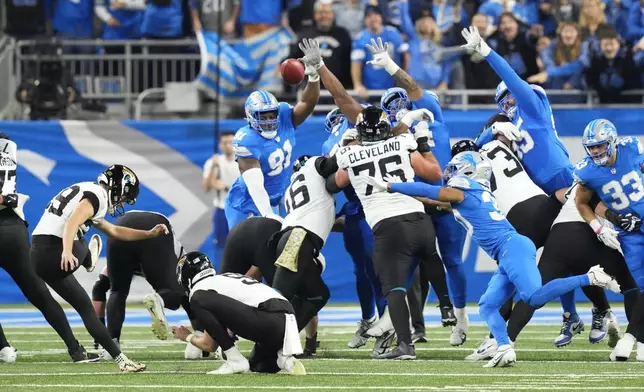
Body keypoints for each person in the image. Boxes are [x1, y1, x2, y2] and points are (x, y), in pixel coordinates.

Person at [370, 150, 620, 367]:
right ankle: (504, 347)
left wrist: (393, 186)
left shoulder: (463, 193)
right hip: (508, 250)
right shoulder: (472, 194)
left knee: (532, 296)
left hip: (513, 247)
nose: (449, 174)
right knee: (488, 305)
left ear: (467, 171)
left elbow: (430, 190)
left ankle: (591, 277)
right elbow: (431, 197)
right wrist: (400, 194)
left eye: (454, 169)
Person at [367, 37, 468, 345]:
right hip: (416, 204)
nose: (399, 106)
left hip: (446, 199)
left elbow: (412, 87)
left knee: (452, 260)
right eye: (391, 105)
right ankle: (394, 320)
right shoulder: (392, 137)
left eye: (402, 101)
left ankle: (460, 320)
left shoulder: (430, 116)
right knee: (408, 260)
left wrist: (391, 66)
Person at [327, 106, 443, 360]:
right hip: (413, 213)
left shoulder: (347, 147)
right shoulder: (400, 141)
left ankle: (395, 336)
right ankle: (445, 309)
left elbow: (332, 181)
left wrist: (341, 147)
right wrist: (413, 126)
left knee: (387, 282)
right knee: (420, 262)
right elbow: (433, 173)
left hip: (377, 219)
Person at [30, 164, 165, 372]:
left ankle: (119, 360)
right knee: (82, 240)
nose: (121, 202)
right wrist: (67, 251)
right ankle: (87, 256)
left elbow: (114, 230)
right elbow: (72, 222)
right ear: (118, 186)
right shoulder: (99, 195)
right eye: (123, 196)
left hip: (39, 254)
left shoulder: (89, 190)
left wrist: (148, 234)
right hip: (55, 250)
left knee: (85, 307)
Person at [0, 133, 98, 364]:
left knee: (40, 293)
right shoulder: (7, 149)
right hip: (11, 230)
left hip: (8, 225)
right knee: (40, 294)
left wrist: (8, 200)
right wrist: (10, 200)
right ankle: (75, 350)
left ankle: (3, 348)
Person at [574, 118, 644, 361]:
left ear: (612, 142)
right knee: (641, 286)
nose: (595, 151)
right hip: (628, 232)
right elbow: (582, 203)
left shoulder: (632, 148)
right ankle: (640, 342)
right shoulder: (586, 170)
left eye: (600, 145)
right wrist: (600, 226)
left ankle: (630, 339)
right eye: (591, 147)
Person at [173, 251, 306, 375]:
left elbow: (210, 345)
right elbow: (211, 342)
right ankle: (284, 360)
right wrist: (189, 336)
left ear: (186, 278)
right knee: (258, 365)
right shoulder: (221, 281)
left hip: (269, 316)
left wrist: (187, 337)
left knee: (197, 299)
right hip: (288, 320)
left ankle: (235, 360)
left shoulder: (201, 291)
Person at [97, 210, 206, 360]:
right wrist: (200, 336)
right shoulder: (179, 259)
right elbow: (188, 294)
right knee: (176, 294)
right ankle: (160, 300)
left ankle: (111, 346)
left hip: (121, 228)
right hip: (156, 227)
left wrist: (100, 334)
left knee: (117, 291)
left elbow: (99, 289)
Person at [321, 107, 387, 350]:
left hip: (378, 206)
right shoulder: (337, 143)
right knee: (363, 270)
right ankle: (370, 319)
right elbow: (332, 181)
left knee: (377, 271)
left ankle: (388, 327)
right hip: (356, 210)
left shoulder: (387, 140)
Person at [224, 83, 320, 229]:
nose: (269, 120)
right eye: (263, 116)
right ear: (250, 115)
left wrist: (314, 78)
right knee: (245, 249)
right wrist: (267, 214)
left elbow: (308, 102)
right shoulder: (246, 139)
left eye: (272, 114)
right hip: (246, 204)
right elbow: (254, 185)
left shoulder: (285, 119)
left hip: (272, 201)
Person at [350, 5, 409, 98]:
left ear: (381, 17)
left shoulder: (393, 33)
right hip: (370, 91)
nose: (373, 18)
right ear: (365, 20)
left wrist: (404, 80)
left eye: (376, 14)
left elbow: (406, 57)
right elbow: (356, 64)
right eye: (368, 16)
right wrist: (358, 85)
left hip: (394, 87)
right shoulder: (361, 38)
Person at [202, 132, 241, 259]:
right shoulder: (213, 162)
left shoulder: (242, 161)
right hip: (221, 209)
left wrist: (226, 187)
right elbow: (206, 187)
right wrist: (213, 167)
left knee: (241, 246)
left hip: (240, 210)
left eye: (231, 142)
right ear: (220, 145)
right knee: (221, 247)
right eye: (224, 143)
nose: (228, 146)